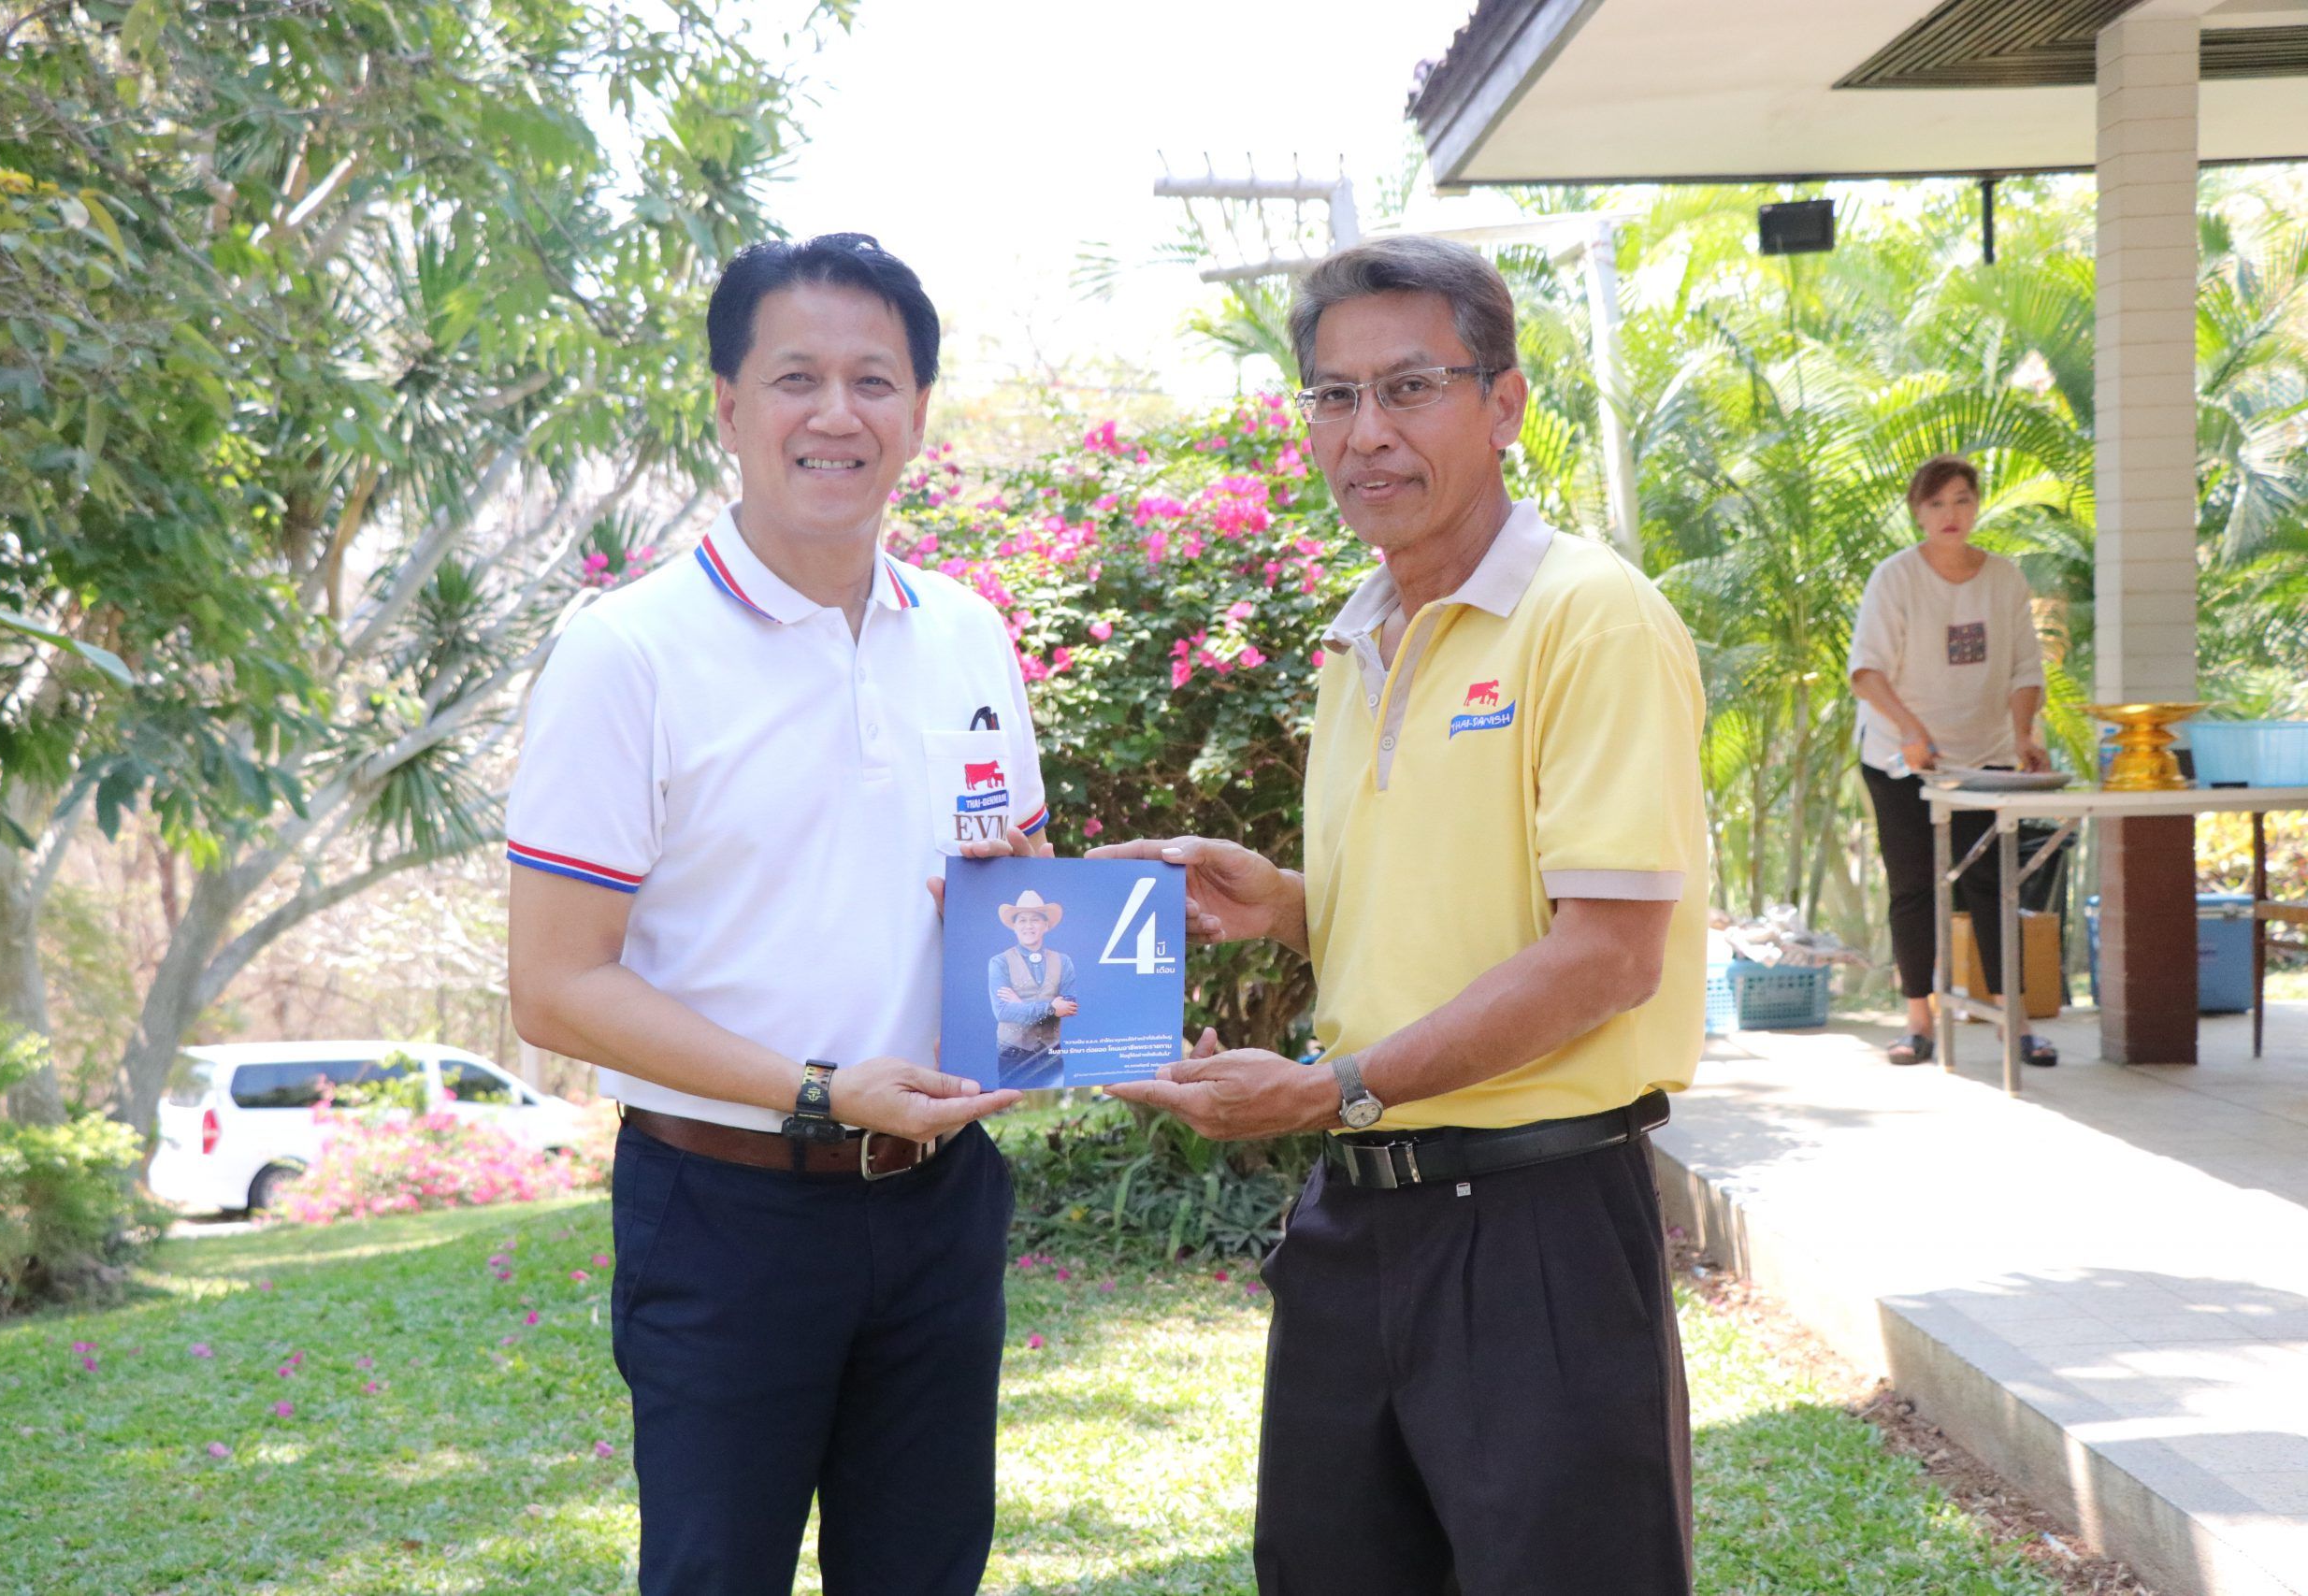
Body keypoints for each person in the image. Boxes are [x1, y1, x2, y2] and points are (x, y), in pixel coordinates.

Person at [1096, 234, 1708, 1596]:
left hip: (1537, 1224)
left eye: (1410, 386)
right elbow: (1459, 913)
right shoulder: (1358, 633)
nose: (1365, 430)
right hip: (1357, 1222)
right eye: (1334, 394)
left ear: (1505, 404)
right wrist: (1288, 907)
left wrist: (1330, 1088)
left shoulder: (1590, 618)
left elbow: (1607, 955)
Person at [504, 233, 1051, 1596]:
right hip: (725, 1210)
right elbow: (557, 986)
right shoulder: (625, 652)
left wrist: (1074, 946)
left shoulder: (969, 632)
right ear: (728, 405)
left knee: (925, 1573)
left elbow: (1013, 889)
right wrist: (819, 1092)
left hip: (941, 1203)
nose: (836, 413)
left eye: (874, 379)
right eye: (795, 376)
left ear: (918, 410)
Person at [1848, 453, 2056, 1068]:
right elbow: (1866, 671)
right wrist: (1912, 731)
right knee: (1914, 887)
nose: (1950, 513)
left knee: (1993, 884)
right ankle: (1919, 1021)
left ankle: (2014, 1022)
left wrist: (2023, 734)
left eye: (1962, 499)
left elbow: (2024, 668)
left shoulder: (2004, 578)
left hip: (1986, 757)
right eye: (1936, 502)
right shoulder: (1894, 578)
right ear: (1918, 511)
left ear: (1977, 505)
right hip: (1901, 759)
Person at [989, 888, 1076, 1086]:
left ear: (1046, 925)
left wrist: (1019, 1005)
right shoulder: (999, 962)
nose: (1028, 926)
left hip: (1051, 1053)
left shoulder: (1063, 961)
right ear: (1014, 926)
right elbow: (1002, 1012)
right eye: (1022, 920)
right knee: (1011, 1101)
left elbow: (1069, 1007)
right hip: (1012, 1054)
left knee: (1056, 1101)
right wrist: (1051, 1007)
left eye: (1035, 920)